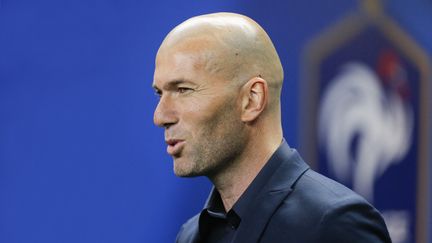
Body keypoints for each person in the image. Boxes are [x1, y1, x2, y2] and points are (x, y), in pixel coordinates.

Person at [152, 12, 392, 243]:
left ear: (252, 99)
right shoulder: (191, 235)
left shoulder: (335, 224)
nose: (160, 116)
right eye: (159, 93)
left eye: (183, 90)